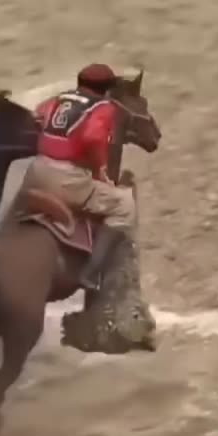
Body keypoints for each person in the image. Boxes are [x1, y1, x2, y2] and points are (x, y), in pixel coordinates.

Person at [27, 63, 137, 290]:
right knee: (124, 206)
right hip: (67, 179)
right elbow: (92, 138)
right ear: (107, 89)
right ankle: (91, 273)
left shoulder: (59, 98)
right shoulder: (104, 107)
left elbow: (37, 115)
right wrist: (101, 168)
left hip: (36, 170)